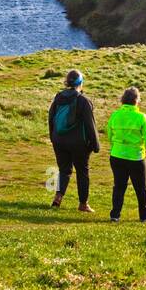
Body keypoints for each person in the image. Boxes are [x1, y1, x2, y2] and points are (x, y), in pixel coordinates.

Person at [47, 69, 99, 212]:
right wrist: (95, 145)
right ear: (80, 83)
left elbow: (51, 118)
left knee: (64, 170)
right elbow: (90, 125)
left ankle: (58, 198)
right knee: (82, 171)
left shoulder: (58, 97)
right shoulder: (83, 100)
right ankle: (83, 204)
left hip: (59, 141)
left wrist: (53, 137)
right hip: (78, 144)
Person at [104, 87, 146, 223]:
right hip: (135, 157)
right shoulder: (141, 117)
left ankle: (115, 214)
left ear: (123, 100)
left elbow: (109, 133)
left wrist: (116, 145)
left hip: (117, 156)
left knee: (119, 186)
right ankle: (144, 214)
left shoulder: (115, 115)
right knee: (140, 188)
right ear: (137, 101)